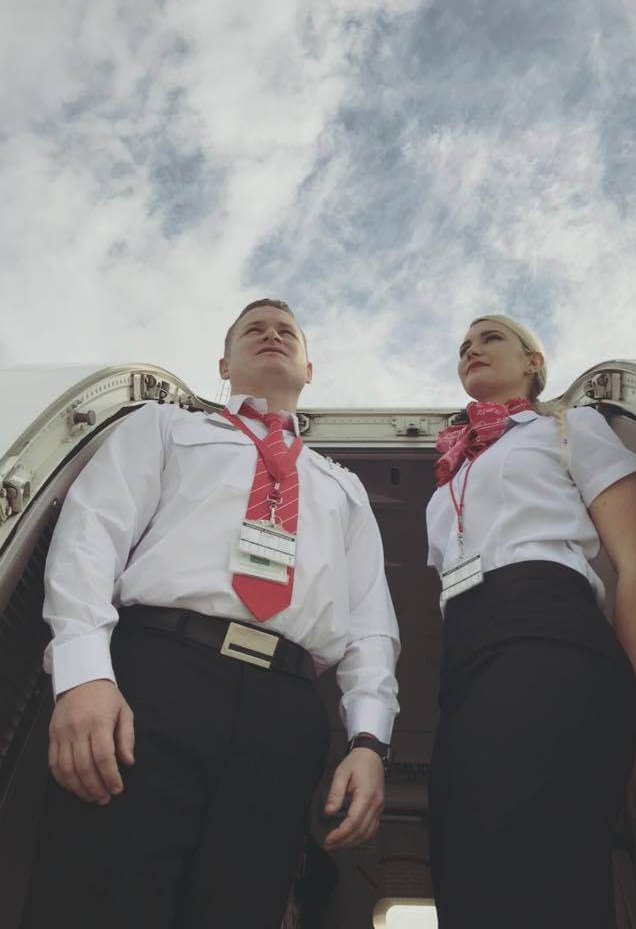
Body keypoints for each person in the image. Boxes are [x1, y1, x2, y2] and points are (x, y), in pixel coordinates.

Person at [24, 299, 400, 929]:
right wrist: (84, 672)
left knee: (241, 904)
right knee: (99, 892)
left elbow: (371, 623)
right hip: (156, 677)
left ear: (310, 367)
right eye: (254, 329)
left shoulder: (343, 487)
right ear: (223, 363)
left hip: (284, 710)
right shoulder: (163, 426)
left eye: (287, 332)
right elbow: (93, 534)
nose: (272, 335)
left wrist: (369, 742)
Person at [426, 315, 636, 928]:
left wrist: (633, 729)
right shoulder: (451, 470)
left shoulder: (567, 427)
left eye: (491, 338)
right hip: (468, 652)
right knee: (460, 854)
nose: (472, 351)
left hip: (548, 632)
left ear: (534, 362)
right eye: (463, 348)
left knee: (537, 854)